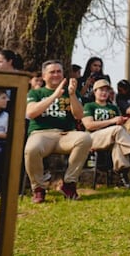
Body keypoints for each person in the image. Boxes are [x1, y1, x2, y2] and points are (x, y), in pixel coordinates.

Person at [24, 60, 93, 203]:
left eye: (59, 72)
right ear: (44, 76)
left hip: (65, 134)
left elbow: (79, 116)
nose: (56, 75)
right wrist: (54, 95)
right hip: (41, 134)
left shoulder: (71, 92)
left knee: (85, 138)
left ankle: (69, 184)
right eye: (52, 72)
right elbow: (31, 112)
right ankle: (38, 189)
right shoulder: (36, 92)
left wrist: (73, 95)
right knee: (31, 149)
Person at [82, 79, 130, 188]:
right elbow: (89, 125)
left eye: (107, 90)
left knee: (119, 144)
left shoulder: (113, 108)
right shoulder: (89, 106)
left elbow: (121, 127)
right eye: (101, 90)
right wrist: (112, 121)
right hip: (94, 138)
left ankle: (123, 179)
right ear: (95, 91)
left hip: (113, 139)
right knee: (117, 130)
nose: (104, 92)